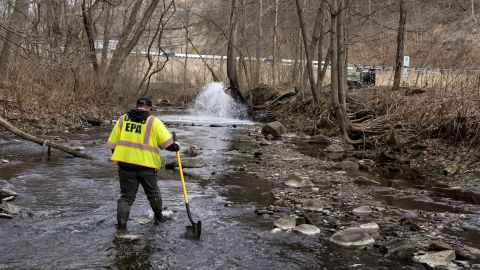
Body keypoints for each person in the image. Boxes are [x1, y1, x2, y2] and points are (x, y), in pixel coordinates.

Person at [106, 97, 179, 235]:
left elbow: (112, 145)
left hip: (126, 166)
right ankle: (158, 219)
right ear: (149, 108)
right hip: (147, 166)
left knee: (126, 197)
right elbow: (167, 145)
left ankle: (121, 227)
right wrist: (176, 146)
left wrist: (121, 160)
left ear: (136, 106)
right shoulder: (153, 121)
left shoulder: (122, 119)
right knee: (153, 194)